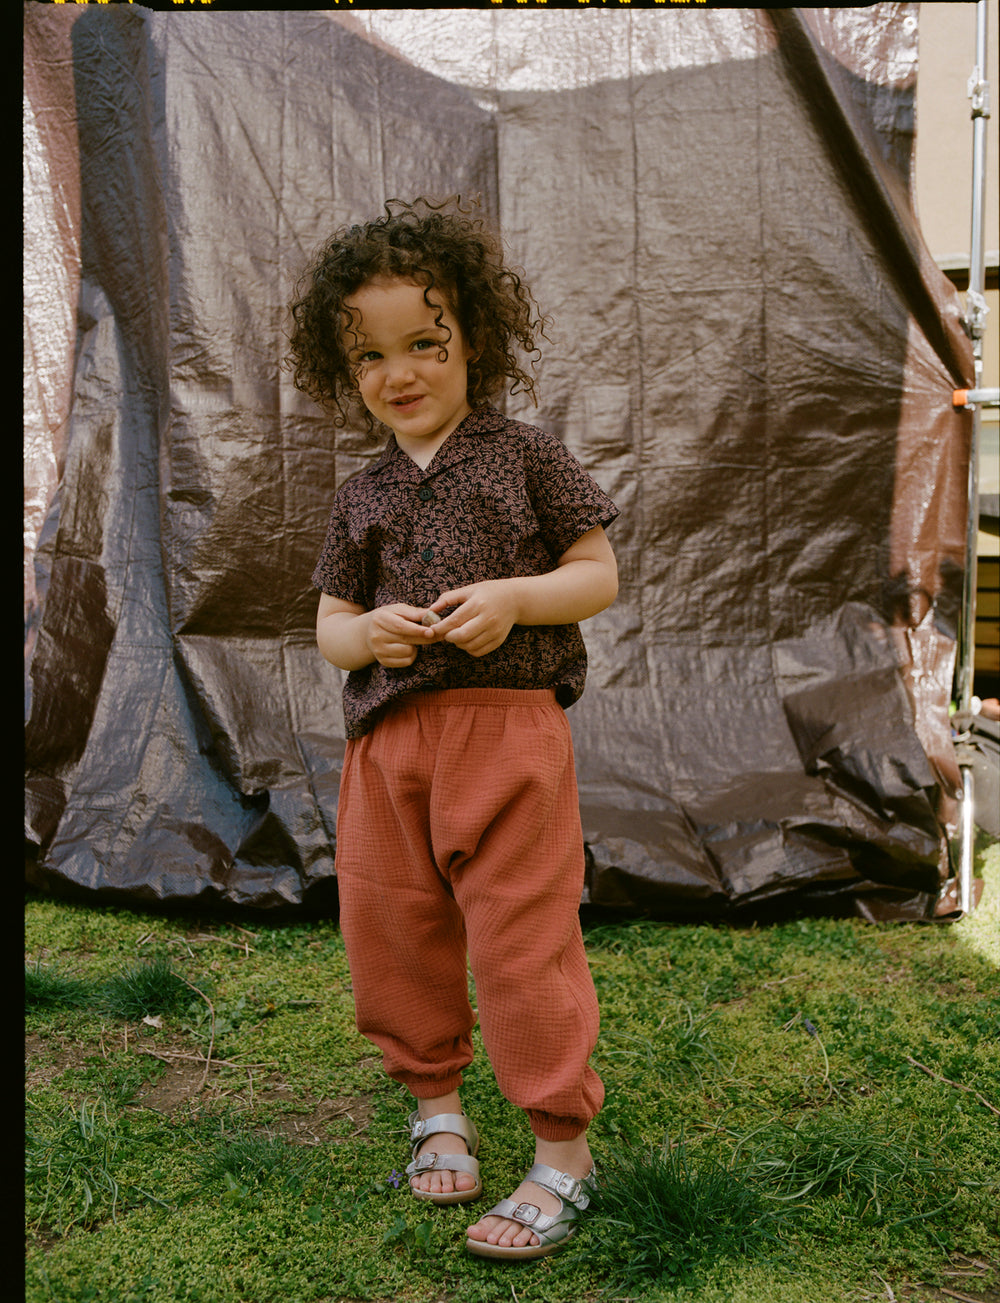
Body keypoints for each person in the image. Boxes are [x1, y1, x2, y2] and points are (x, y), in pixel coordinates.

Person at [287, 197, 619, 1260]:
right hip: (388, 752)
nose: (401, 372)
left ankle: (561, 1149)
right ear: (348, 375)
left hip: (508, 737)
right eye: (371, 356)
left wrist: (520, 598)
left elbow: (596, 575)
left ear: (474, 336)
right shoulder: (361, 495)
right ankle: (437, 1103)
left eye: (424, 342)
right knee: (392, 930)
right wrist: (366, 633)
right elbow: (331, 624)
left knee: (523, 940)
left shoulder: (524, 456)